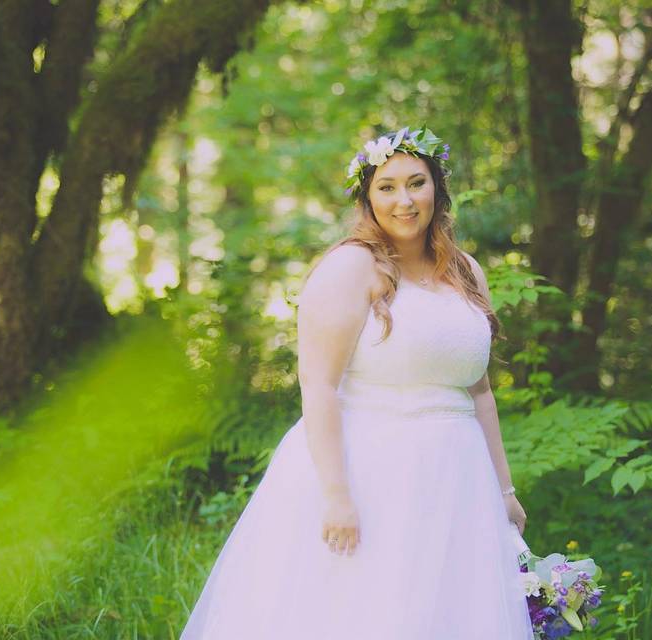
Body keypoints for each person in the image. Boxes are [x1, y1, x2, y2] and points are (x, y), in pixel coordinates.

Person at [179, 125, 534, 639]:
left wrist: (503, 491)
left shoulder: (466, 272)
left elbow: (479, 394)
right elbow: (318, 384)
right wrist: (337, 495)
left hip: (457, 477)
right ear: (368, 198)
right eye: (386, 187)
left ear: (438, 187)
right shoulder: (350, 267)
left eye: (417, 183)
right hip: (371, 471)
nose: (404, 200)